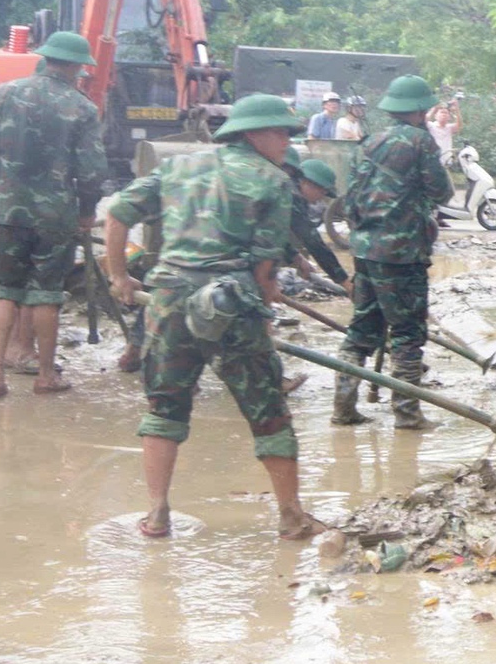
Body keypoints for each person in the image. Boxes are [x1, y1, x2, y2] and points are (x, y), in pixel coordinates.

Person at [103, 93, 323, 540]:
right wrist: (267, 297)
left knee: (165, 408)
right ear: (253, 133)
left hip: (168, 301)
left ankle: (157, 514)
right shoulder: (273, 180)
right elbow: (264, 266)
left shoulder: (178, 166)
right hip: (231, 303)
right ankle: (291, 516)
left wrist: (119, 277)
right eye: (280, 131)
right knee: (269, 413)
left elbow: (117, 213)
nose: (286, 141)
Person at [0, 31, 106, 398]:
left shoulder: (7, 93)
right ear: (78, 66)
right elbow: (92, 170)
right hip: (55, 216)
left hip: (9, 210)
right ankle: (46, 376)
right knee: (46, 294)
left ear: (45, 58)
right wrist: (87, 211)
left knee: (6, 288)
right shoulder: (83, 108)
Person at [335, 75, 453, 428]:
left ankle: (343, 407)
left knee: (362, 328)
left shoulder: (368, 142)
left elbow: (350, 198)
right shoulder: (421, 141)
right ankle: (406, 413)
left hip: (365, 250)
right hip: (402, 253)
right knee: (407, 331)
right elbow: (440, 192)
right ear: (419, 109)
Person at [278, 157, 351, 290]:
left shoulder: (290, 190)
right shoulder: (291, 196)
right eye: (322, 191)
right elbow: (314, 243)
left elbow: (274, 234)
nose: (322, 196)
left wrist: (296, 257)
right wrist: (345, 282)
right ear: (306, 182)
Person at [426, 100, 462, 164]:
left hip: (446, 161)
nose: (444, 114)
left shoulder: (450, 128)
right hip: (432, 160)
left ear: (449, 117)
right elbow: (424, 120)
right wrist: (434, 108)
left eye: (446, 113)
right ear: (435, 116)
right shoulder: (431, 125)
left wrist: (457, 109)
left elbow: (459, 125)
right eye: (441, 112)